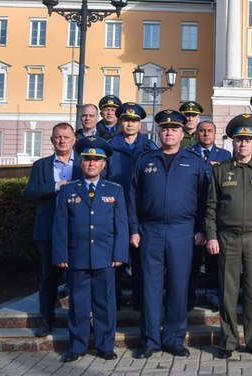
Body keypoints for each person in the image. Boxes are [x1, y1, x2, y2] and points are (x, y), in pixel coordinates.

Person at [129, 110, 208, 359]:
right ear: (159, 132)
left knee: (178, 285)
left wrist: (202, 229)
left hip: (182, 231)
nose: (169, 133)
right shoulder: (145, 160)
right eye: (164, 129)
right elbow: (132, 196)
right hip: (150, 230)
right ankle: (150, 339)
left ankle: (174, 338)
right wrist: (133, 229)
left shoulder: (195, 161)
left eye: (174, 129)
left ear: (183, 133)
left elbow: (206, 199)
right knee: (150, 287)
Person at [205, 114, 252, 359]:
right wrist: (212, 236)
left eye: (248, 140)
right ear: (233, 143)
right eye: (239, 140)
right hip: (228, 238)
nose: (243, 145)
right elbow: (211, 207)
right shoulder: (221, 171)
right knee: (228, 292)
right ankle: (227, 342)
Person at [52, 136, 128, 363]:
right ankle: (77, 346)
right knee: (79, 305)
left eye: (96, 160)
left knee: (105, 304)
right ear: (81, 163)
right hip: (77, 257)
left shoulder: (114, 190)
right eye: (87, 160)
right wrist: (61, 255)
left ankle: (105, 346)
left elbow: (121, 225)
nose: (91, 164)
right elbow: (60, 226)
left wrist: (119, 254)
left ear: (104, 164)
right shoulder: (69, 190)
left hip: (105, 257)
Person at [23, 122, 82, 337]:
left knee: (79, 277)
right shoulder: (41, 166)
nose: (62, 140)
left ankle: (81, 321)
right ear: (51, 140)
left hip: (77, 230)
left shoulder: (84, 164)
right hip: (48, 229)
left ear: (74, 139)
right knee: (48, 276)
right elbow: (29, 193)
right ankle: (46, 320)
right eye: (58, 137)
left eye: (66, 137)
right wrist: (55, 186)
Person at [106, 102, 156, 310]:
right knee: (114, 260)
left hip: (142, 212)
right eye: (126, 120)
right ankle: (114, 301)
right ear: (120, 121)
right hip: (113, 211)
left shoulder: (149, 147)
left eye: (134, 120)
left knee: (141, 260)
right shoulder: (108, 147)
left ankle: (139, 301)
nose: (130, 124)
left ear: (140, 123)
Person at [186, 121, 231, 311]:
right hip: (193, 213)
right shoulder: (188, 153)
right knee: (191, 263)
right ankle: (189, 298)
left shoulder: (225, 155)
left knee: (214, 262)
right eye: (202, 131)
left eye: (209, 131)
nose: (206, 134)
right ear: (197, 133)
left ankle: (214, 298)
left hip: (216, 215)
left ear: (215, 133)